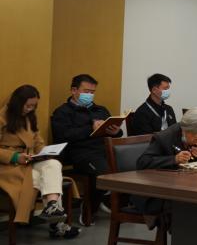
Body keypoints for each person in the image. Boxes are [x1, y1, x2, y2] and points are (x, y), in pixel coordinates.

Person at [1, 85, 69, 227]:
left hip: (28, 160)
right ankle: (58, 226)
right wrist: (15, 157)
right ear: (17, 103)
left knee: (54, 164)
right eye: (27, 105)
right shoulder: (2, 118)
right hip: (8, 166)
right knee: (46, 178)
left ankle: (52, 206)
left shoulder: (29, 118)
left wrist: (46, 153)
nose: (30, 109)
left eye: (33, 106)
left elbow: (38, 142)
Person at [135, 108, 197, 219]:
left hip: (193, 186)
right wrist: (174, 159)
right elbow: (142, 162)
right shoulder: (165, 137)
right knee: (189, 206)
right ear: (185, 130)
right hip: (162, 191)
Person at [51, 74, 118, 182]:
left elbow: (113, 132)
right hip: (81, 154)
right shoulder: (62, 112)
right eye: (86, 92)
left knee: (130, 164)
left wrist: (116, 132)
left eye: (92, 92)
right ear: (74, 90)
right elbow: (62, 136)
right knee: (104, 173)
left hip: (105, 150)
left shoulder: (101, 110)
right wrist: (91, 128)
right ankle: (103, 193)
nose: (89, 95)